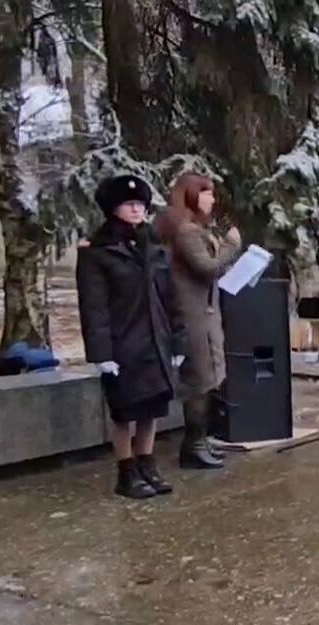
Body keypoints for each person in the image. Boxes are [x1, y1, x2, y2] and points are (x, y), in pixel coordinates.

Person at [77, 176, 182, 499]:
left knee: (151, 408)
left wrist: (177, 341)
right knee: (124, 411)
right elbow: (94, 307)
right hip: (123, 344)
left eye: (141, 204)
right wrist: (101, 353)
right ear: (113, 208)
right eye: (129, 204)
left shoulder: (155, 245)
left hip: (156, 340)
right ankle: (126, 471)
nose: (137, 209)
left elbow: (171, 298)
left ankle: (147, 464)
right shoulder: (98, 252)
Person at [154, 173, 243, 471]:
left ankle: (200, 441)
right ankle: (192, 446)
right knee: (199, 381)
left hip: (204, 312)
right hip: (193, 316)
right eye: (207, 193)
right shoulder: (185, 231)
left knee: (208, 377)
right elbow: (206, 268)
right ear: (192, 195)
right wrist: (230, 246)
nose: (212, 200)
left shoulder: (192, 228)